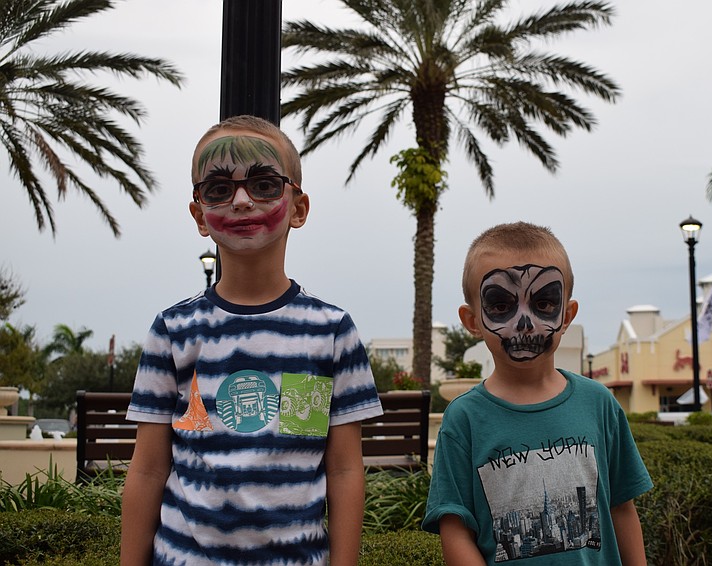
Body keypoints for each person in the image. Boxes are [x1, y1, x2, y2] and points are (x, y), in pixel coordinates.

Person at [120, 115, 383, 566]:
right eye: (219, 189)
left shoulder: (330, 332)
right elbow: (147, 469)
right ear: (199, 213)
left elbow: (342, 469)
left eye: (264, 184)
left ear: (298, 208)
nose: (241, 201)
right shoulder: (173, 330)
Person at [422, 221, 652, 565]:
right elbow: (455, 529)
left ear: (567, 314)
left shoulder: (599, 404)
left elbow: (622, 509)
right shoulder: (464, 419)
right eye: (501, 306)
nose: (525, 322)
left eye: (544, 303)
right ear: (472, 321)